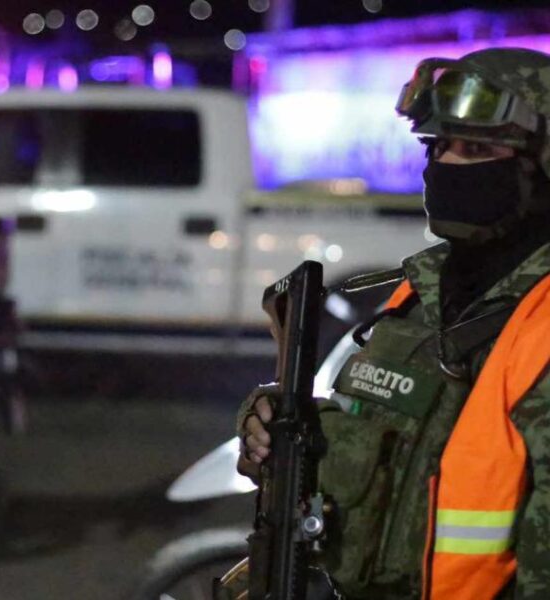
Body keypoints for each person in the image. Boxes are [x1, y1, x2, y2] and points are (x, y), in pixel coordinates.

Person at [236, 47, 550, 600]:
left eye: (476, 149)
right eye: (436, 146)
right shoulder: (423, 294)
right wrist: (278, 426)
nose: (446, 165)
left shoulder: (538, 323)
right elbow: (382, 447)